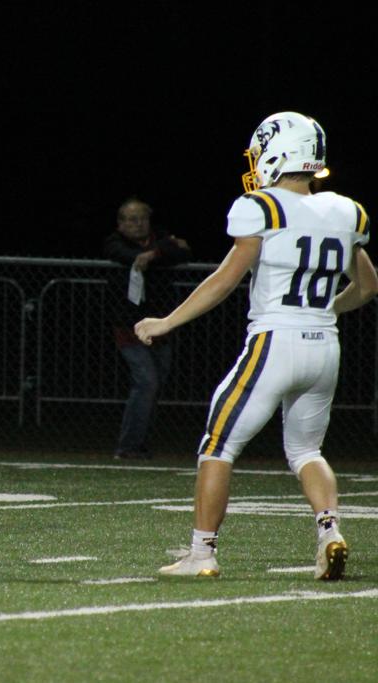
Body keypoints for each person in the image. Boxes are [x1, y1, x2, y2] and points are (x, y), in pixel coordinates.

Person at [135, 112, 377, 580]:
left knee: (218, 445)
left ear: (279, 153)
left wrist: (167, 321)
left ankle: (202, 553)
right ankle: (329, 532)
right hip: (325, 347)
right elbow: (367, 286)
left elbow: (224, 280)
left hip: (275, 342)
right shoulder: (345, 210)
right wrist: (325, 311)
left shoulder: (263, 206)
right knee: (307, 451)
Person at [104, 198, 191, 460]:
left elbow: (182, 251)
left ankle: (140, 443)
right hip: (128, 327)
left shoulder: (157, 239)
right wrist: (161, 250)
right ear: (120, 223)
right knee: (146, 382)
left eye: (142, 218)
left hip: (161, 325)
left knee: (156, 384)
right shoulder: (114, 242)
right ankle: (128, 445)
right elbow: (124, 255)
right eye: (132, 219)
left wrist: (152, 254)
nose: (138, 224)